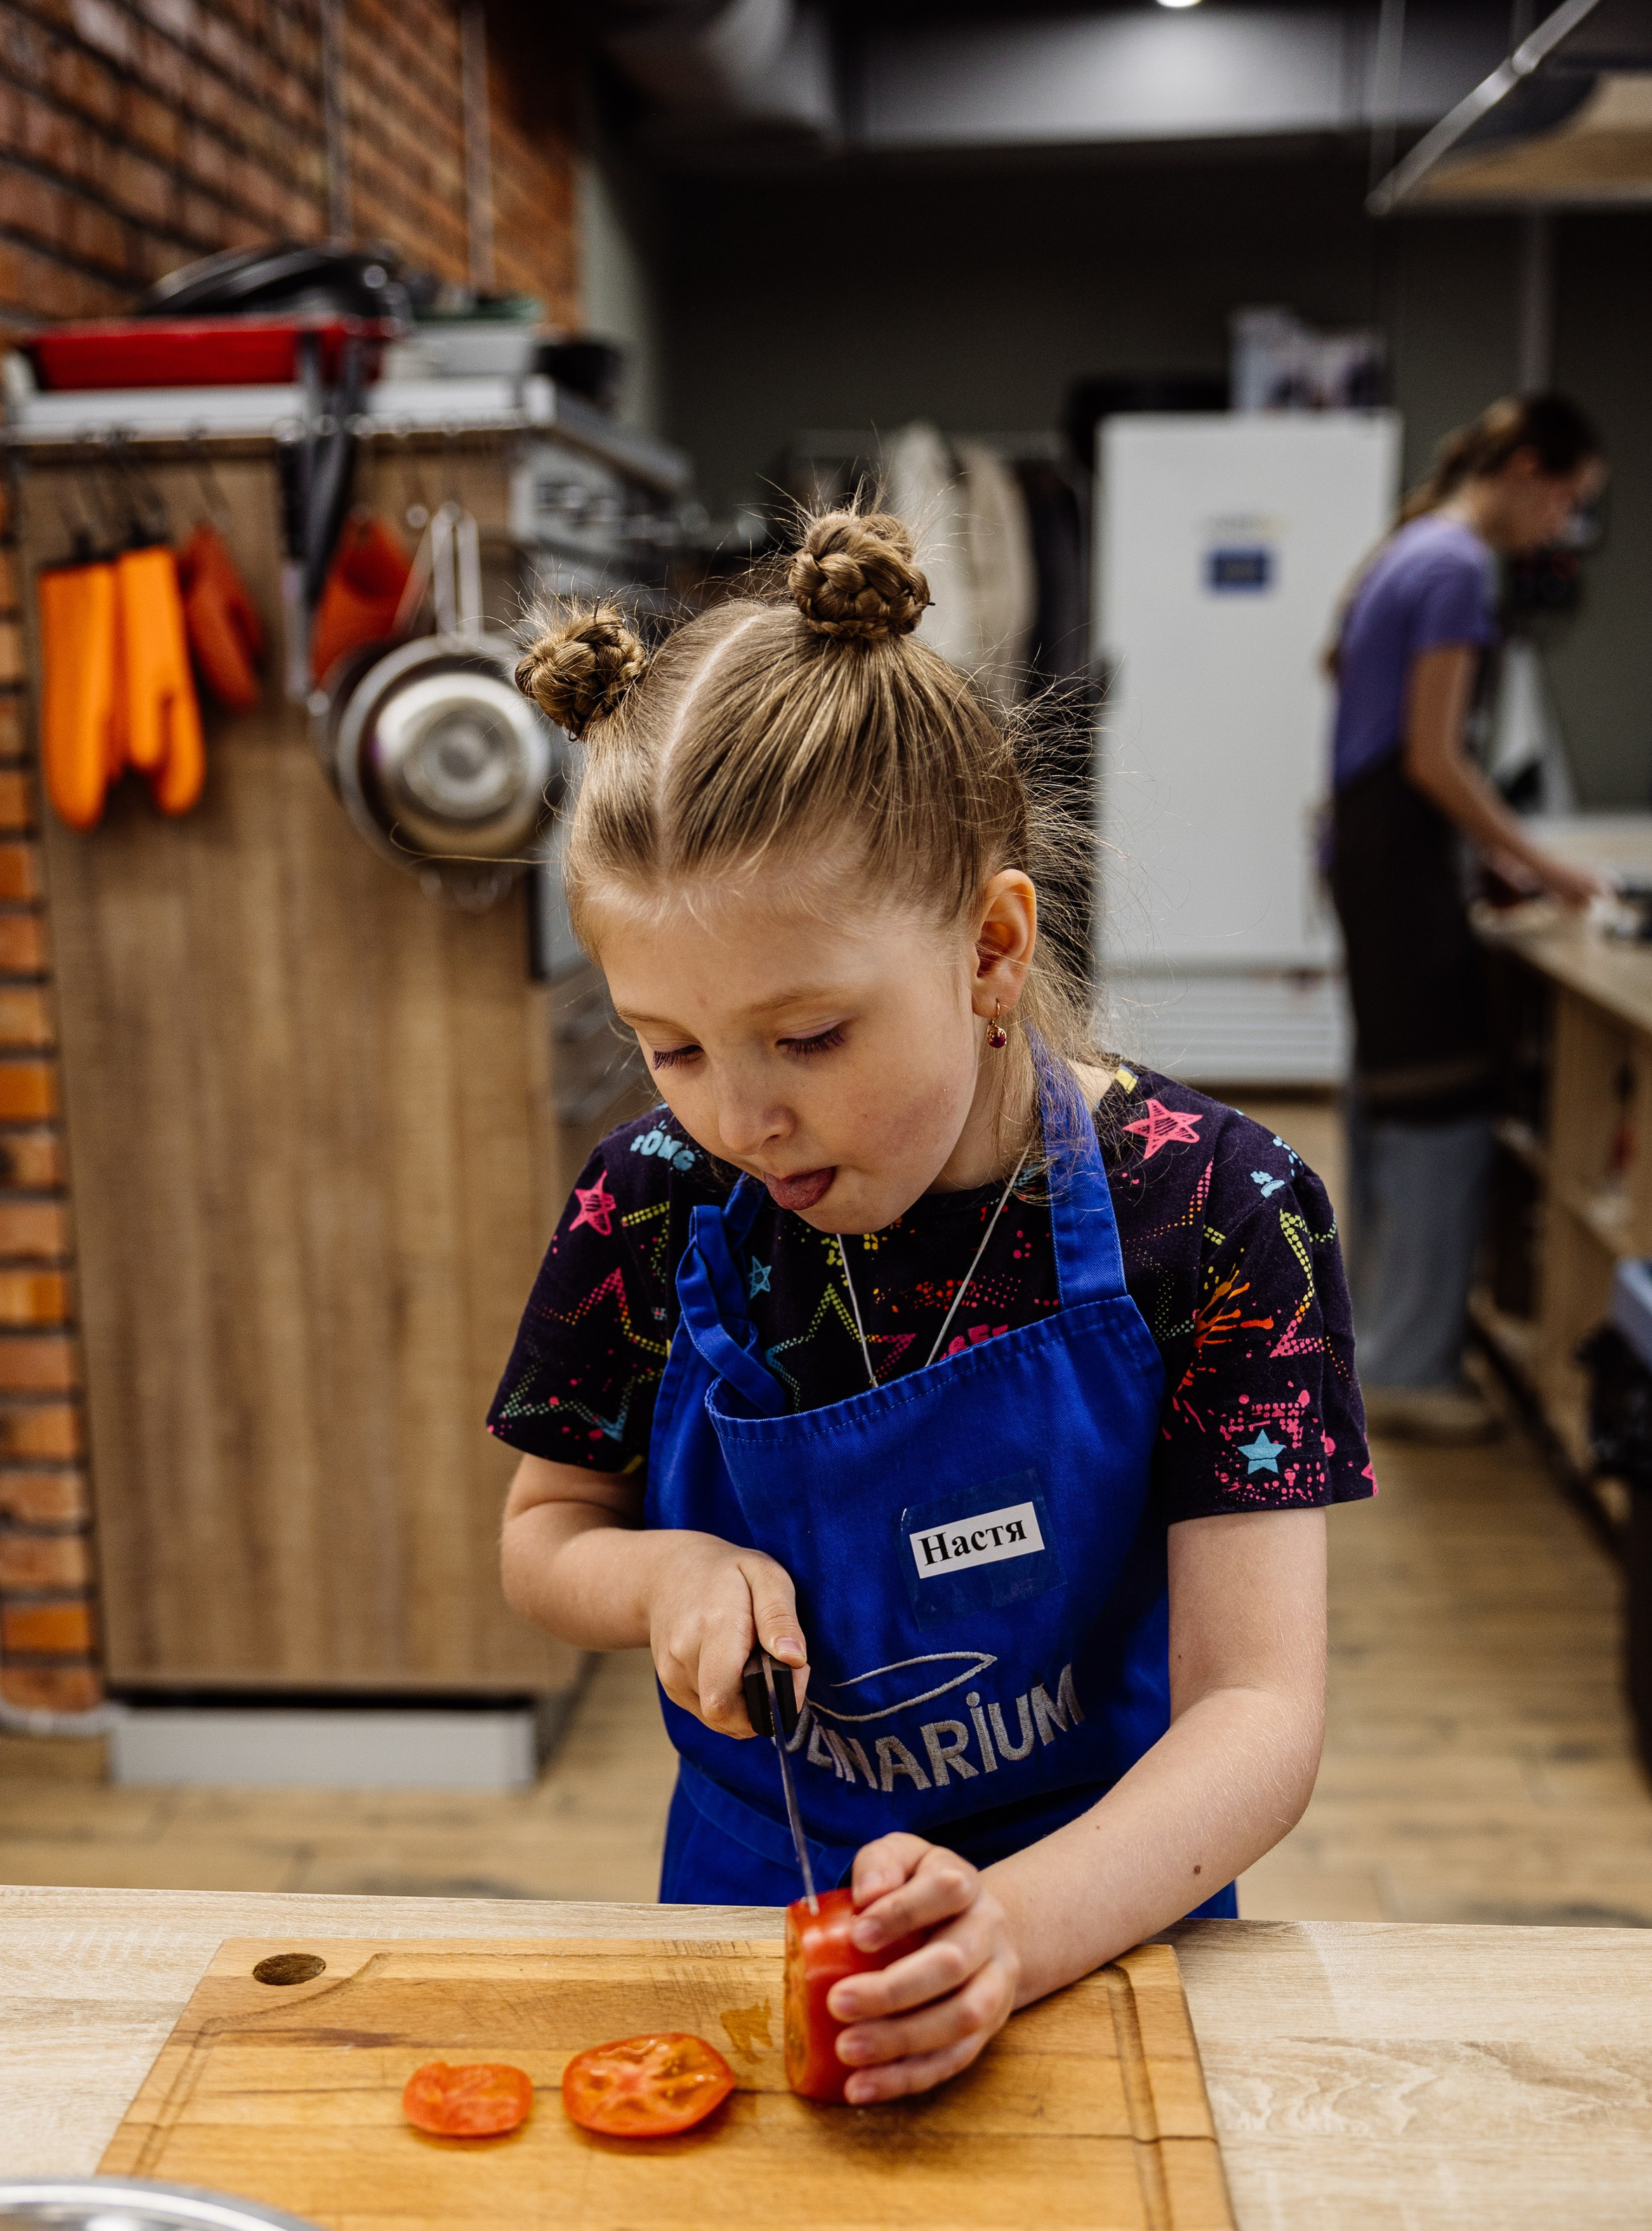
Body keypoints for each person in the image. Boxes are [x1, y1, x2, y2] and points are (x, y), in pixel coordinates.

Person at [490, 510, 1370, 2103]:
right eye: (669, 1048)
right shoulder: (650, 1203)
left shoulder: (1219, 1215)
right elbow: (543, 1533)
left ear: (986, 948)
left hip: (1109, 1911)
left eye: (807, 1038)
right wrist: (660, 1576)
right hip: (771, 1905)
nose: (735, 1121)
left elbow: (1256, 1711)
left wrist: (1012, 1933)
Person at [1328, 392, 1610, 1443]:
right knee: (1440, 1109)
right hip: (1400, 866)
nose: (1564, 528)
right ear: (1533, 468)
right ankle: (1408, 1365)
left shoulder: (1416, 552)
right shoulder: (1455, 567)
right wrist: (1541, 863)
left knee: (1390, 1104)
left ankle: (1374, 1341)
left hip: (1380, 863)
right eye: (1569, 502)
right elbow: (1433, 756)